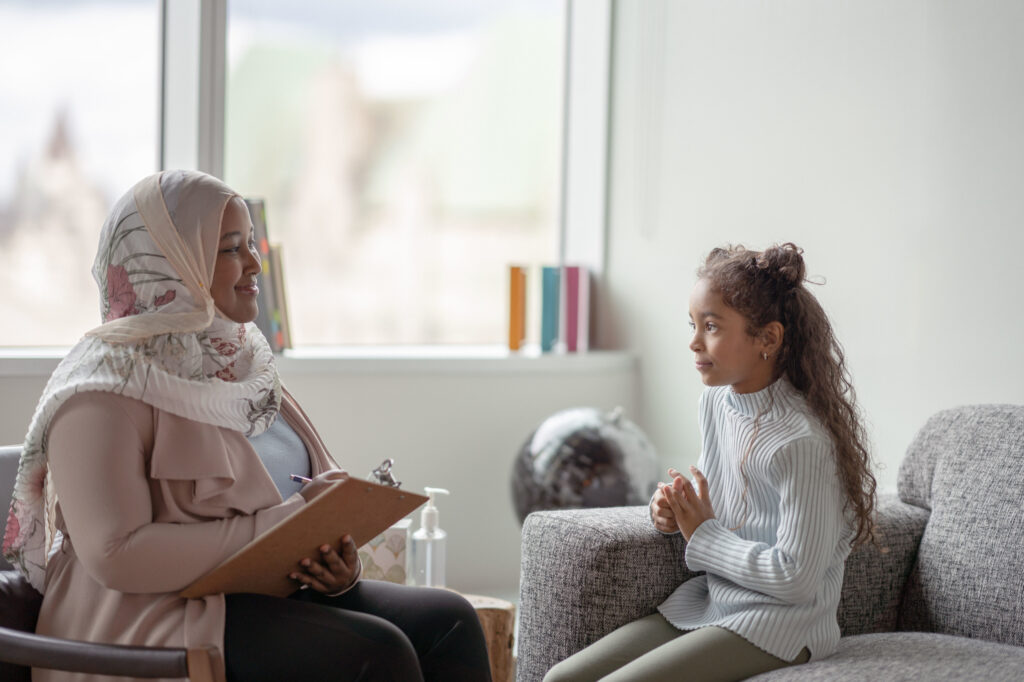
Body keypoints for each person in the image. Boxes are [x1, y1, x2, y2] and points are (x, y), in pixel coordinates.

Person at [1, 169, 492, 682]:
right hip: (152, 625)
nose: (255, 263)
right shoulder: (101, 391)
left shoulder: (241, 368)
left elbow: (303, 495)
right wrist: (285, 523)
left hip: (268, 598)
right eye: (230, 249)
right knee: (377, 652)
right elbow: (115, 556)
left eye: (252, 244)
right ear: (171, 262)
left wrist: (336, 570)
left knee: (450, 621)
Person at [544, 243, 876, 682]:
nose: (694, 341)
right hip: (712, 602)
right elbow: (712, 501)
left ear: (768, 339)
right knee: (560, 679)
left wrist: (702, 533)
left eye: (712, 326)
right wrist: (669, 511)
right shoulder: (717, 403)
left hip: (782, 625)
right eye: (694, 324)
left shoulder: (801, 441)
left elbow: (797, 578)